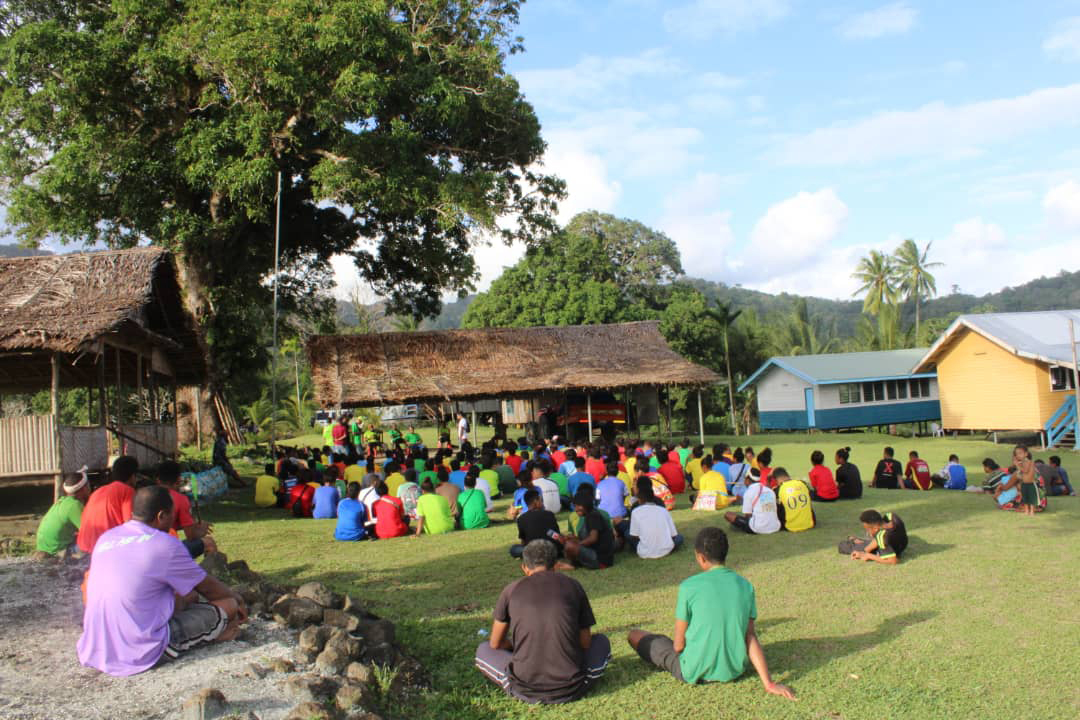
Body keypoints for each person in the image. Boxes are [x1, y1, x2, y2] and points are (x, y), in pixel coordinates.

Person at [77, 486, 246, 676]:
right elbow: (209, 589)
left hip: (96, 646)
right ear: (161, 516)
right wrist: (238, 600)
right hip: (140, 650)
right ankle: (217, 635)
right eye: (172, 516)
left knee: (188, 595)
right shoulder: (165, 544)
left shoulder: (107, 538)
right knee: (229, 605)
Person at [626, 527, 794, 698]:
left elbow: (678, 646)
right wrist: (769, 683)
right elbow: (750, 636)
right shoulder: (745, 585)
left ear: (700, 557)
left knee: (635, 635)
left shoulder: (688, 587)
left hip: (692, 670)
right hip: (734, 671)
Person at [475, 539, 611, 704]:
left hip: (524, 689)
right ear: (555, 565)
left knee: (483, 649)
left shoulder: (511, 590)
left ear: (524, 568)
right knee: (601, 641)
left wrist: (513, 645)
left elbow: (495, 644)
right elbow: (585, 642)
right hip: (572, 687)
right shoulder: (573, 585)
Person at [77, 455, 138, 554]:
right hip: (104, 550)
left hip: (83, 547)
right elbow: (130, 526)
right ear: (132, 477)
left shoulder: (97, 492)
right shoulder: (127, 491)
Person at [36, 470, 92, 556]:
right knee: (93, 543)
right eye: (88, 485)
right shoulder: (74, 505)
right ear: (84, 489)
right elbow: (90, 533)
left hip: (43, 548)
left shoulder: (63, 501)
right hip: (57, 552)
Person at [627, 478, 683, 559]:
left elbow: (634, 535)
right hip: (666, 549)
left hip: (645, 551)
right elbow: (673, 535)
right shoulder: (663, 509)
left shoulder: (635, 510)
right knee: (679, 538)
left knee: (628, 533)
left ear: (639, 499)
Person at [839, 510, 907, 564]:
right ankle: (856, 541)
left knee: (843, 545)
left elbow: (893, 561)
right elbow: (879, 536)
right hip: (900, 543)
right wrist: (865, 550)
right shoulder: (892, 516)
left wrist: (868, 555)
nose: (867, 533)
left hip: (892, 549)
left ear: (875, 528)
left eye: (867, 530)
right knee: (865, 544)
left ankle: (854, 541)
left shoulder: (882, 538)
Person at [724, 471, 780, 535]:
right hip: (775, 526)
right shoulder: (769, 490)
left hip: (758, 528)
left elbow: (748, 516)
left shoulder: (749, 492)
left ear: (748, 480)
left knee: (728, 514)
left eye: (744, 478)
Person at [510, 490, 561, 558]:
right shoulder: (549, 514)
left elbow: (524, 541)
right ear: (535, 502)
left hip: (533, 551)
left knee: (514, 549)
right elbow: (555, 535)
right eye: (541, 501)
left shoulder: (521, 519)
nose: (542, 503)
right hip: (552, 550)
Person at [596, 460, 629, 526]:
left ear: (607, 471)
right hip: (620, 514)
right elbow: (625, 496)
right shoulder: (621, 483)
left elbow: (597, 499)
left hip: (604, 515)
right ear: (617, 472)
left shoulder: (600, 484)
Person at [1013, 444, 1043, 515]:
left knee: (1032, 498)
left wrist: (1017, 465)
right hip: (1024, 484)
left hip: (1031, 484)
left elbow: (1025, 470)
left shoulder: (1028, 461)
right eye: (1017, 454)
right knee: (1025, 498)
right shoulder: (1022, 463)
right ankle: (1027, 510)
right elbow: (1020, 473)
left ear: (1026, 454)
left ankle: (1032, 511)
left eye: (1020, 453)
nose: (1018, 455)